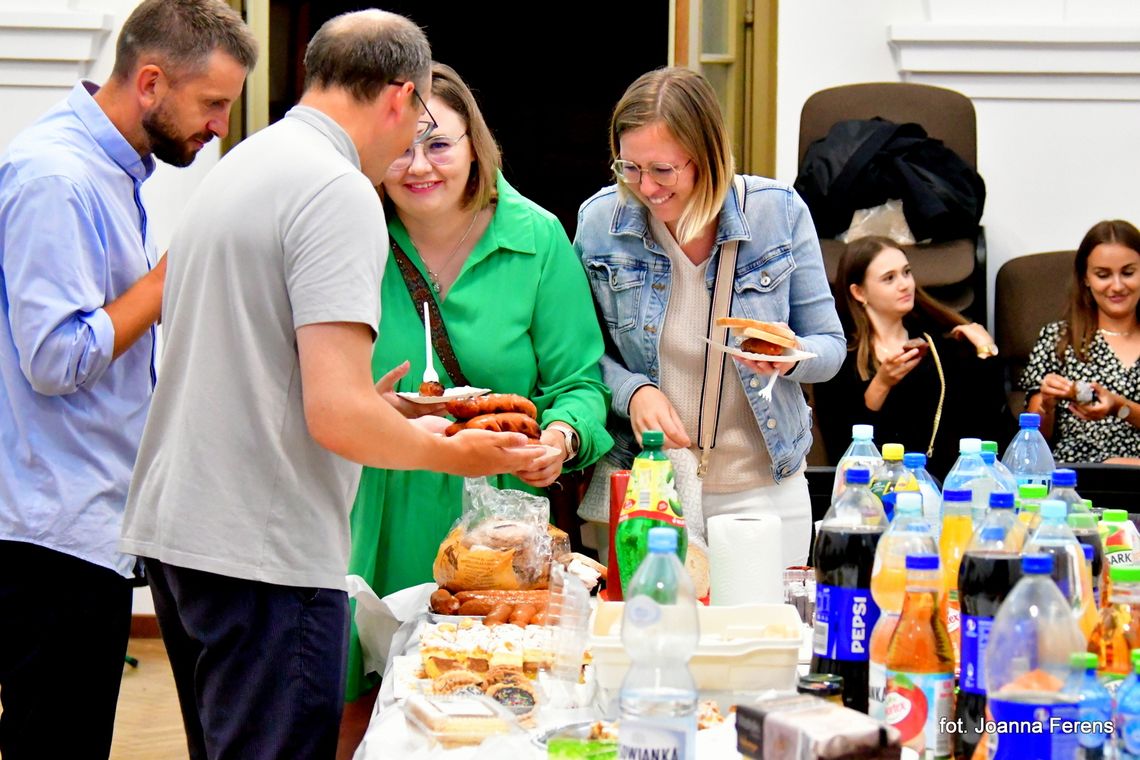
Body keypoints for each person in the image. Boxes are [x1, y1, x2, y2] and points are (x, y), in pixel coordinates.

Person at [118, 12, 541, 760]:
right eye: (414, 123)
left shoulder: (246, 162)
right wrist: (460, 454)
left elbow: (247, 363)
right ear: (399, 97)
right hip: (263, 552)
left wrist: (372, 408)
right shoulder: (338, 189)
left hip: (182, 535)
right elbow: (337, 417)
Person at [0, 2, 256, 757]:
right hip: (52, 534)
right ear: (150, 82)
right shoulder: (58, 178)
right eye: (212, 104)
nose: (218, 127)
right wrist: (171, 276)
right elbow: (54, 360)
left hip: (84, 521)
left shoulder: (111, 170)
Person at [343, 62, 612, 699]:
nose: (418, 166)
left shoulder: (536, 238)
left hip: (494, 526)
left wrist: (561, 438)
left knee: (489, 695)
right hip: (364, 504)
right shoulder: (349, 229)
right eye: (400, 148)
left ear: (475, 146)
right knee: (353, 708)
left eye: (438, 143)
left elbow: (581, 381)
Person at [574, 67, 845, 568]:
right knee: (648, 636)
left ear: (709, 158)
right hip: (646, 485)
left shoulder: (777, 212)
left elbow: (830, 347)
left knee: (762, 637)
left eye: (663, 170)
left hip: (761, 487)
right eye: (628, 168)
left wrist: (792, 356)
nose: (645, 188)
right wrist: (634, 391)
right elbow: (578, 357)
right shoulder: (599, 222)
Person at [813, 235, 1013, 479]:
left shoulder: (941, 347)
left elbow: (993, 425)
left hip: (943, 487)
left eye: (906, 272)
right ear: (859, 292)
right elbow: (843, 451)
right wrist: (881, 385)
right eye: (889, 278)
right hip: (874, 492)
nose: (905, 284)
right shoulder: (839, 358)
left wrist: (986, 351)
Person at [1022, 220, 1140, 464]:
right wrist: (1047, 403)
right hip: (1077, 479)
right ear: (1085, 278)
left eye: (1128, 273)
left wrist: (1119, 407)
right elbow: (1032, 442)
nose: (1117, 286)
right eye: (1103, 275)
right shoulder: (1058, 339)